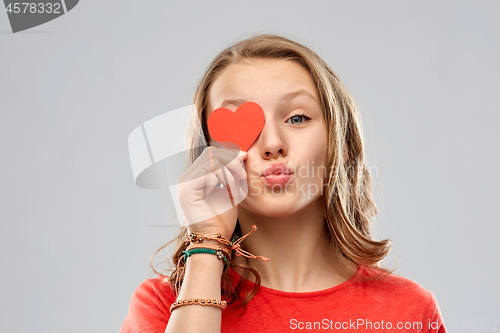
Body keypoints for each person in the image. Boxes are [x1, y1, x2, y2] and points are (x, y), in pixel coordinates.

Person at [119, 33, 447, 333]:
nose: (273, 143)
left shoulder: (410, 311)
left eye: (297, 118)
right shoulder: (163, 307)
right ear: (208, 155)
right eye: (243, 124)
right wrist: (206, 245)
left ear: (338, 142)